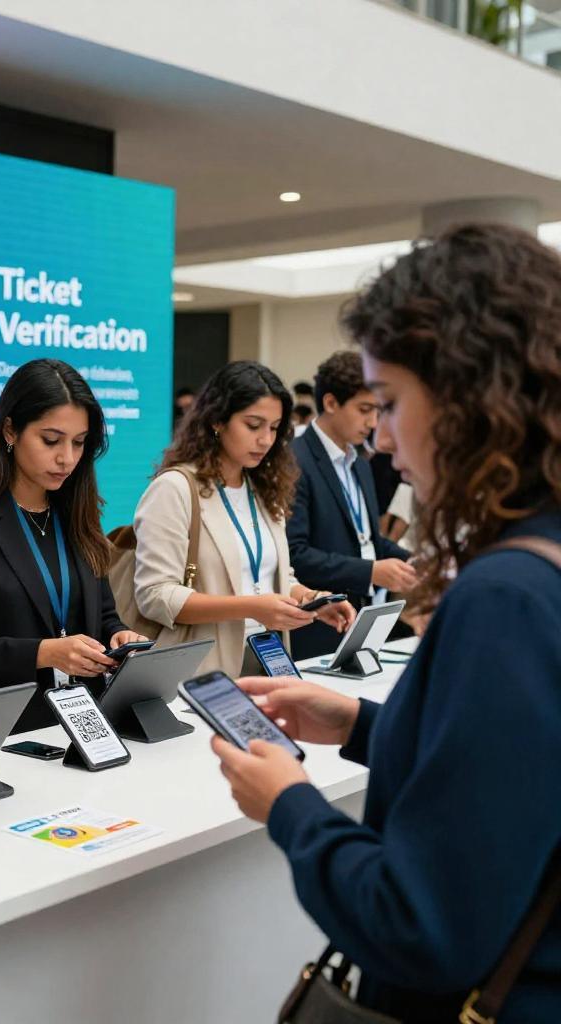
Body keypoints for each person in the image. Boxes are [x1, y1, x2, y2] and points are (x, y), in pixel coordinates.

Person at [210, 223, 561, 1022]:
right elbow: (516, 777)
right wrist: (364, 725)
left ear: (474, 394)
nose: (385, 438)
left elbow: (421, 926)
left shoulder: (507, 597)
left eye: (394, 403)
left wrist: (290, 806)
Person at [0, 358, 144, 733]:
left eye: (79, 443)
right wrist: (45, 652)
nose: (66, 458)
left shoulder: (76, 510)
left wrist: (118, 637)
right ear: (10, 430)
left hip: (81, 723)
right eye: (51, 440)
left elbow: (104, 614)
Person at [133, 361, 353, 678]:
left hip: (268, 662)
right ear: (217, 420)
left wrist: (313, 601)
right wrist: (252, 606)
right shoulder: (175, 488)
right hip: (202, 672)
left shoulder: (264, 489)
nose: (266, 440)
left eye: (274, 428)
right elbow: (155, 596)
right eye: (253, 425)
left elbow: (273, 579)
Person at [287, 349, 416, 660]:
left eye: (378, 410)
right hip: (318, 625)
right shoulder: (294, 461)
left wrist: (412, 560)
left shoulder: (359, 463)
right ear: (331, 403)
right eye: (364, 410)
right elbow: (294, 554)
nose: (373, 422)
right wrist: (370, 571)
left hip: (364, 619)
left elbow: (368, 540)